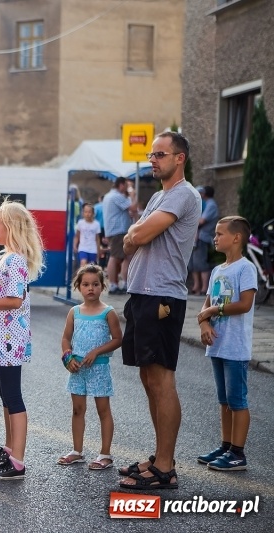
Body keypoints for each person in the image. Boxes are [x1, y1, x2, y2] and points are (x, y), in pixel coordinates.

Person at [118, 132, 201, 490]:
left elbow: (137, 236)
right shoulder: (157, 196)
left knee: (162, 379)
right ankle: (158, 456)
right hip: (141, 293)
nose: (153, 160)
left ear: (179, 158)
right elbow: (129, 240)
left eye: (160, 154)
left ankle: (165, 467)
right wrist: (136, 233)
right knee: (148, 379)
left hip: (163, 297)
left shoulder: (184, 194)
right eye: (151, 154)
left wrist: (136, 233)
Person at [0, 200, 44, 481]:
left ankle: (18, 461)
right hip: (1, 335)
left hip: (9, 337)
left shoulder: (14, 260)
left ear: (11, 228)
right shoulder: (8, 256)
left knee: (13, 396)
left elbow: (14, 300)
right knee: (5, 392)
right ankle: (10, 447)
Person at [196, 216, 256, 471]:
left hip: (235, 346)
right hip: (218, 345)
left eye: (220, 234)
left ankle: (238, 454)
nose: (215, 237)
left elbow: (244, 304)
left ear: (236, 237)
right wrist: (204, 324)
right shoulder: (217, 271)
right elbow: (206, 305)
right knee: (224, 400)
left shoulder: (245, 268)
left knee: (237, 401)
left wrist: (212, 312)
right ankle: (226, 445)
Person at [57, 264, 122, 471]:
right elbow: (66, 338)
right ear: (79, 287)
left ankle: (105, 454)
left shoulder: (108, 312)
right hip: (78, 369)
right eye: (85, 284)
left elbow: (118, 339)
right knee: (77, 410)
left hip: (99, 369)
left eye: (95, 284)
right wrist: (67, 357)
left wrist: (97, 352)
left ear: (102, 286)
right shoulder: (74, 312)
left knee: (103, 410)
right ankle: (77, 451)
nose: (90, 288)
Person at [102, 177, 137, 294]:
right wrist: (132, 194)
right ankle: (115, 284)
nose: (127, 188)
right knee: (118, 257)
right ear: (121, 185)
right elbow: (133, 207)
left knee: (120, 257)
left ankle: (116, 283)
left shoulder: (108, 196)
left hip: (113, 230)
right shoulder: (117, 196)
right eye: (127, 186)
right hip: (119, 230)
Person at [189, 186, 219, 295]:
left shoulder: (211, 205)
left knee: (201, 263)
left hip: (202, 237)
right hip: (195, 237)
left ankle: (204, 288)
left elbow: (201, 221)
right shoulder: (205, 203)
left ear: (204, 193)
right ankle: (196, 287)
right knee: (193, 264)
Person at [74, 203, 102, 267]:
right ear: (83, 213)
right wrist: (75, 245)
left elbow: (97, 239)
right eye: (85, 212)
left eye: (89, 212)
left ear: (93, 213)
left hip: (93, 249)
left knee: (91, 267)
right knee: (83, 263)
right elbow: (77, 236)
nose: (87, 214)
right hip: (83, 248)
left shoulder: (96, 224)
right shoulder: (80, 223)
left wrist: (98, 250)